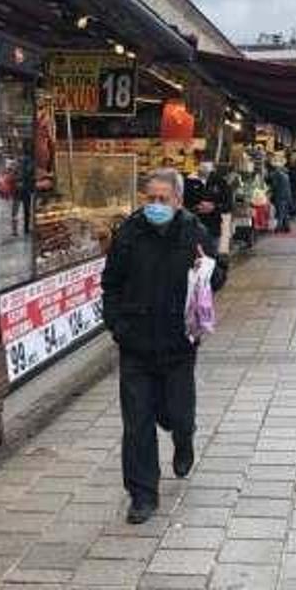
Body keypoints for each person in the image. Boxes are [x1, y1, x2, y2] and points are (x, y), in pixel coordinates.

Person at [101, 169, 226, 524]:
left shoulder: (194, 232)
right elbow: (110, 282)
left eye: (163, 199)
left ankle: (183, 439)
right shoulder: (128, 233)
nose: (155, 205)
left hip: (178, 341)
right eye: (150, 199)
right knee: (137, 421)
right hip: (135, 341)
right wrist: (117, 324)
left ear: (177, 200)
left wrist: (209, 269)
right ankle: (142, 493)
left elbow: (219, 275)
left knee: (177, 414)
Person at [184, 160, 232, 242]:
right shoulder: (188, 182)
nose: (204, 169)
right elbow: (181, 204)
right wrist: (195, 207)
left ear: (213, 168)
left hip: (212, 229)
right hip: (192, 229)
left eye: (207, 167)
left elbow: (228, 205)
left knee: (211, 252)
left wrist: (214, 207)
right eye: (202, 166)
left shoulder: (220, 183)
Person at [267, 158, 294, 233]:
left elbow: (274, 185)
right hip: (286, 195)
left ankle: (278, 227)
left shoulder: (277, 175)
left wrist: (270, 190)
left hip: (280, 195)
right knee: (285, 212)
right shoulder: (285, 175)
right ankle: (287, 227)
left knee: (280, 212)